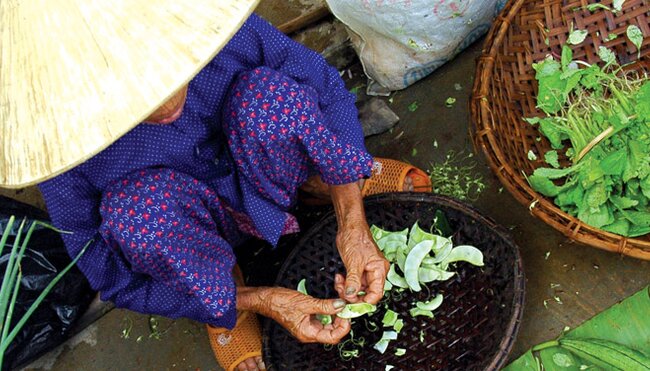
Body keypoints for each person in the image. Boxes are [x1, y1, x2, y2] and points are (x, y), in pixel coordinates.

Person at [1, 2, 431, 370]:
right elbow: (112, 276)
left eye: (171, 73)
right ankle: (221, 289)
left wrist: (352, 225)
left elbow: (322, 85)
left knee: (272, 99)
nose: (168, 103)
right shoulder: (64, 144)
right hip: (189, 226)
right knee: (136, 217)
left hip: (265, 166)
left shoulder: (201, 28)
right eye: (140, 100)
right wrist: (258, 299)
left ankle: (324, 183)